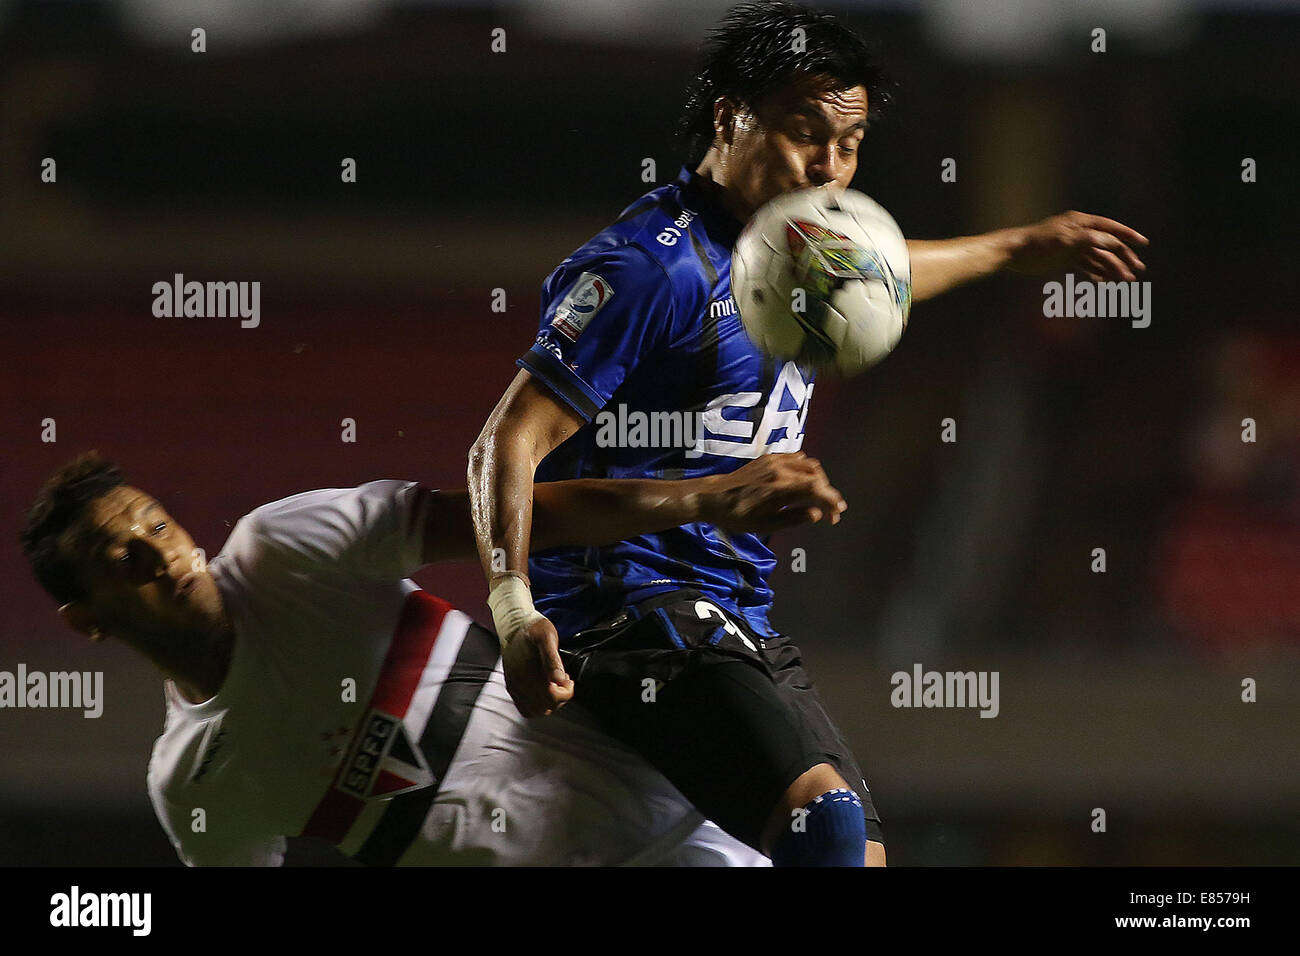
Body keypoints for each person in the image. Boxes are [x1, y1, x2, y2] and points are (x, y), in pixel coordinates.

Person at [467, 0, 1148, 867]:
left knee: (859, 855)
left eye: (851, 142)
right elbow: (506, 441)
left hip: (733, 609)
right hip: (630, 612)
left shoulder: (798, 247)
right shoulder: (649, 268)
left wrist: (1018, 246)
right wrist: (515, 606)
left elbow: (888, 270)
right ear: (730, 118)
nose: (830, 167)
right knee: (822, 825)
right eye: (805, 133)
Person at [20, 449, 844, 865]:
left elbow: (508, 517)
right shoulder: (195, 779)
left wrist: (705, 497)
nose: (158, 555)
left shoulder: (287, 550)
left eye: (157, 526)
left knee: (835, 824)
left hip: (677, 834)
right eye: (118, 556)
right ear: (86, 620)